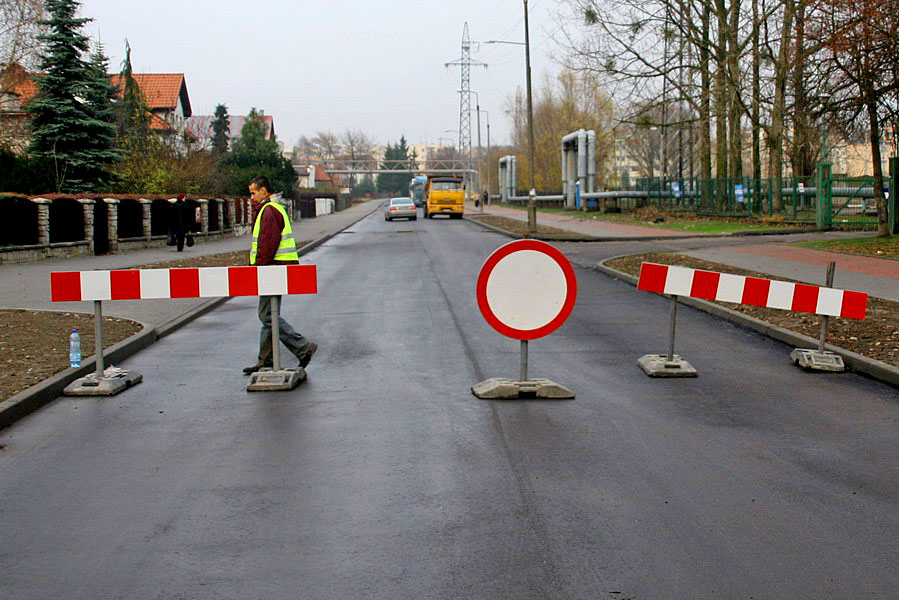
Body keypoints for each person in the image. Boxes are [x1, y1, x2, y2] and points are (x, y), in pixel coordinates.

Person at [243, 176, 317, 375]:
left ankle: (302, 347)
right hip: (275, 268)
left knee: (267, 315)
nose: (251, 197)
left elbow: (267, 245)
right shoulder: (272, 209)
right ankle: (266, 360)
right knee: (270, 313)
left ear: (264, 191)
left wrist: (258, 269)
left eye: (253, 192)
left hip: (272, 269)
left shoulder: (269, 211)